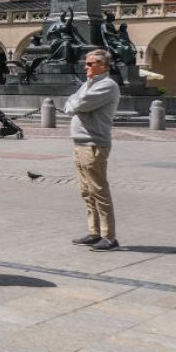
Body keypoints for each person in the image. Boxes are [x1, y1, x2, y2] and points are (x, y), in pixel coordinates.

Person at [65, 49, 122, 252]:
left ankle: (109, 236)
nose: (85, 67)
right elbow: (70, 103)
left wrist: (75, 104)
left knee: (99, 190)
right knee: (86, 191)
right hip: (81, 143)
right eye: (86, 64)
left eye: (90, 64)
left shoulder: (107, 85)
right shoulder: (88, 84)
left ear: (102, 66)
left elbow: (77, 104)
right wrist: (75, 103)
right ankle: (94, 232)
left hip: (94, 144)